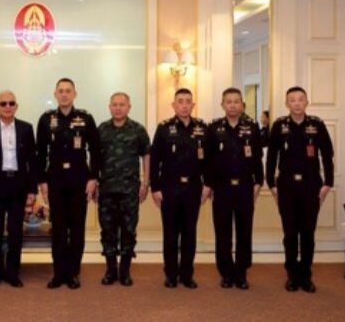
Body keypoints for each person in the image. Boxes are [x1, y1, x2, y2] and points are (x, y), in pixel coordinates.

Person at [266, 86, 334, 293]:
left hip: (310, 187)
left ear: (306, 102)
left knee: (307, 233)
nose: (297, 103)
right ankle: (292, 275)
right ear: (287, 103)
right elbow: (271, 158)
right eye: (292, 100)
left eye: (300, 99)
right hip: (286, 187)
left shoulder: (317, 125)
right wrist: (272, 185)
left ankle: (306, 275)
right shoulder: (279, 126)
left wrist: (327, 183)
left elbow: (327, 155)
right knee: (289, 234)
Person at [36, 78, 100, 289]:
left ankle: (73, 272)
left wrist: (93, 178)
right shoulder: (46, 119)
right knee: (59, 228)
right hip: (55, 180)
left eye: (68, 91)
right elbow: (40, 153)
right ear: (55, 94)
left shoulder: (86, 118)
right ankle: (59, 272)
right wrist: (42, 180)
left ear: (74, 94)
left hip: (79, 180)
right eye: (61, 91)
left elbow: (95, 151)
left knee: (77, 227)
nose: (64, 94)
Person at [0, 90, 38, 288]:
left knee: (15, 232)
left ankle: (12, 273)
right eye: (3, 104)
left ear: (16, 106)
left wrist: (32, 190)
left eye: (11, 103)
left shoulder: (26, 128)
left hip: (18, 185)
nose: (7, 107)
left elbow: (32, 162)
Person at [150, 88, 210, 289]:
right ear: (173, 105)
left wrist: (207, 184)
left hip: (193, 188)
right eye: (180, 101)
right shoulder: (164, 128)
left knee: (189, 233)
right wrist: (155, 188)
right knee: (170, 234)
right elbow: (155, 160)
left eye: (188, 101)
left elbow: (209, 161)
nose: (184, 105)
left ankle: (187, 274)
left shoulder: (202, 128)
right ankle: (170, 274)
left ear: (193, 105)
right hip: (169, 188)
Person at [205, 88, 264, 290]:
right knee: (223, 233)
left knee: (244, 232)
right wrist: (209, 185)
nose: (232, 105)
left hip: (245, 187)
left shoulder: (252, 127)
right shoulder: (213, 129)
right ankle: (226, 273)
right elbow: (208, 161)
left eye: (236, 101)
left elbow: (257, 158)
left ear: (242, 105)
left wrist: (259, 182)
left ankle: (241, 273)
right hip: (221, 188)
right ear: (223, 105)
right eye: (228, 102)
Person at [97, 92, 150, 287]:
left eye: (122, 104)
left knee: (128, 231)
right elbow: (95, 158)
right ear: (109, 107)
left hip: (130, 190)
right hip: (107, 190)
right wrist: (94, 182)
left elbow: (146, 155)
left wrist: (146, 182)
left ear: (129, 107)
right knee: (108, 231)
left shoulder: (138, 129)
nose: (118, 108)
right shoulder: (102, 129)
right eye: (115, 104)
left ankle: (125, 271)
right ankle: (111, 270)